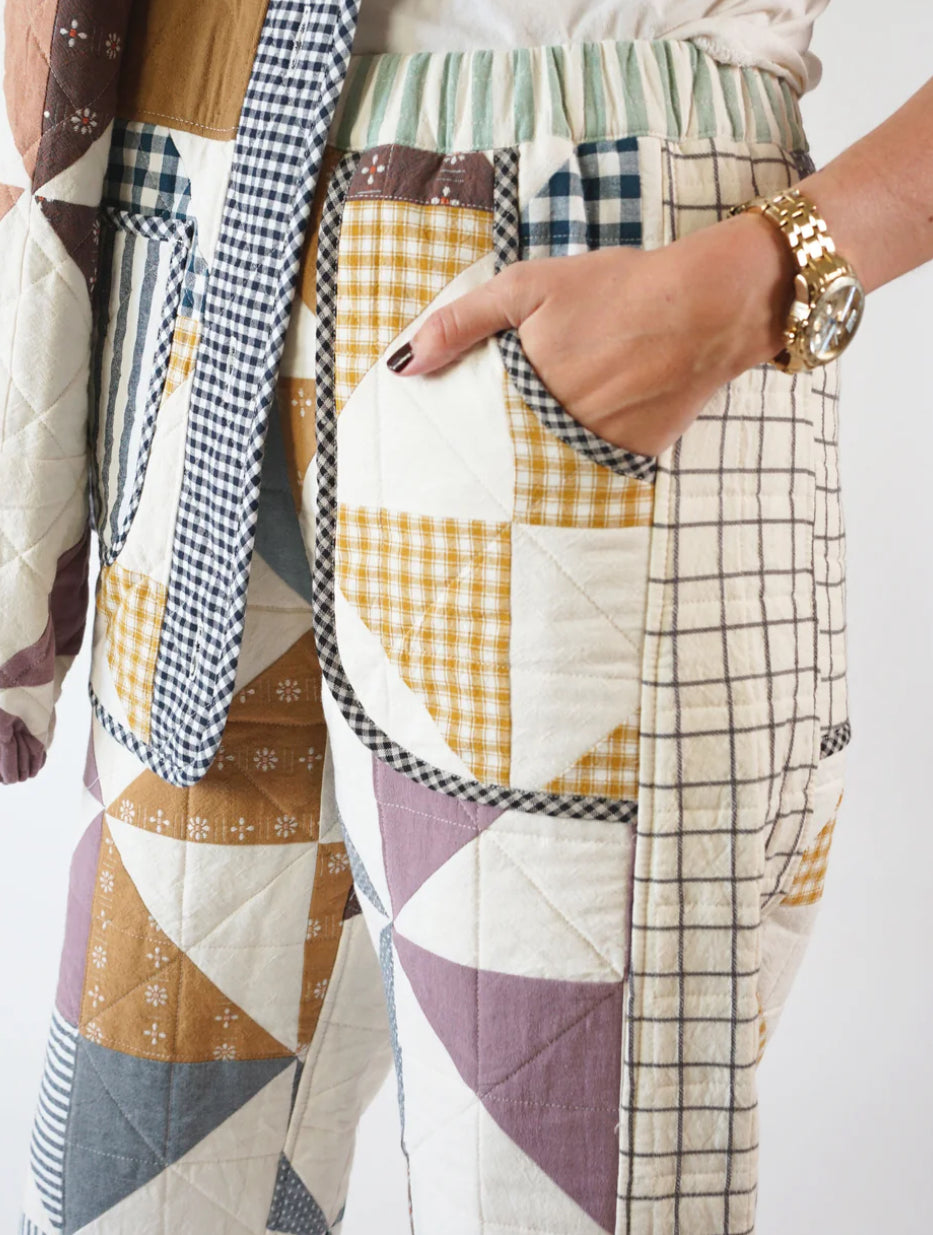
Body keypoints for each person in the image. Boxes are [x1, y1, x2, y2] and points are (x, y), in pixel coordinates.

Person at [0, 1, 929, 1233]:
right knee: (136, 1182)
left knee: (546, 1181)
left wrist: (773, 270)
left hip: (576, 242)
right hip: (206, 243)